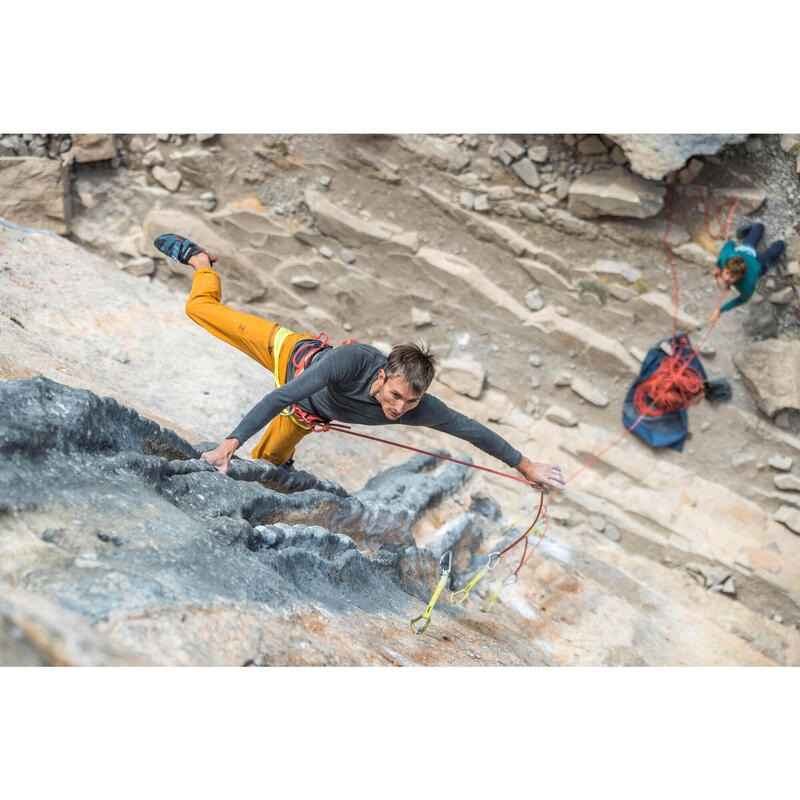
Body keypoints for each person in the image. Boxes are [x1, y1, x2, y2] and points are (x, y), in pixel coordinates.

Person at [153, 233, 566, 494]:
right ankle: (201, 261)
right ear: (382, 375)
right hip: (290, 356)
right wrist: (230, 442)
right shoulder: (352, 361)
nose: (399, 408)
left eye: (409, 402)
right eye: (395, 396)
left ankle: (273, 459)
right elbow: (283, 394)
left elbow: (472, 430)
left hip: (303, 415)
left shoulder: (417, 407)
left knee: (267, 467)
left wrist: (526, 465)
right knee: (201, 310)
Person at [709, 222, 785, 323]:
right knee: (758, 229)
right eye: (727, 272)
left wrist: (720, 310)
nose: (726, 278)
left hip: (758, 264)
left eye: (732, 277)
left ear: (740, 277)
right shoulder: (726, 259)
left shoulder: (747, 286)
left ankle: (782, 243)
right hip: (746, 251)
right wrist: (718, 267)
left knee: (769, 257)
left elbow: (742, 299)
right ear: (725, 266)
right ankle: (761, 229)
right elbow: (730, 243)